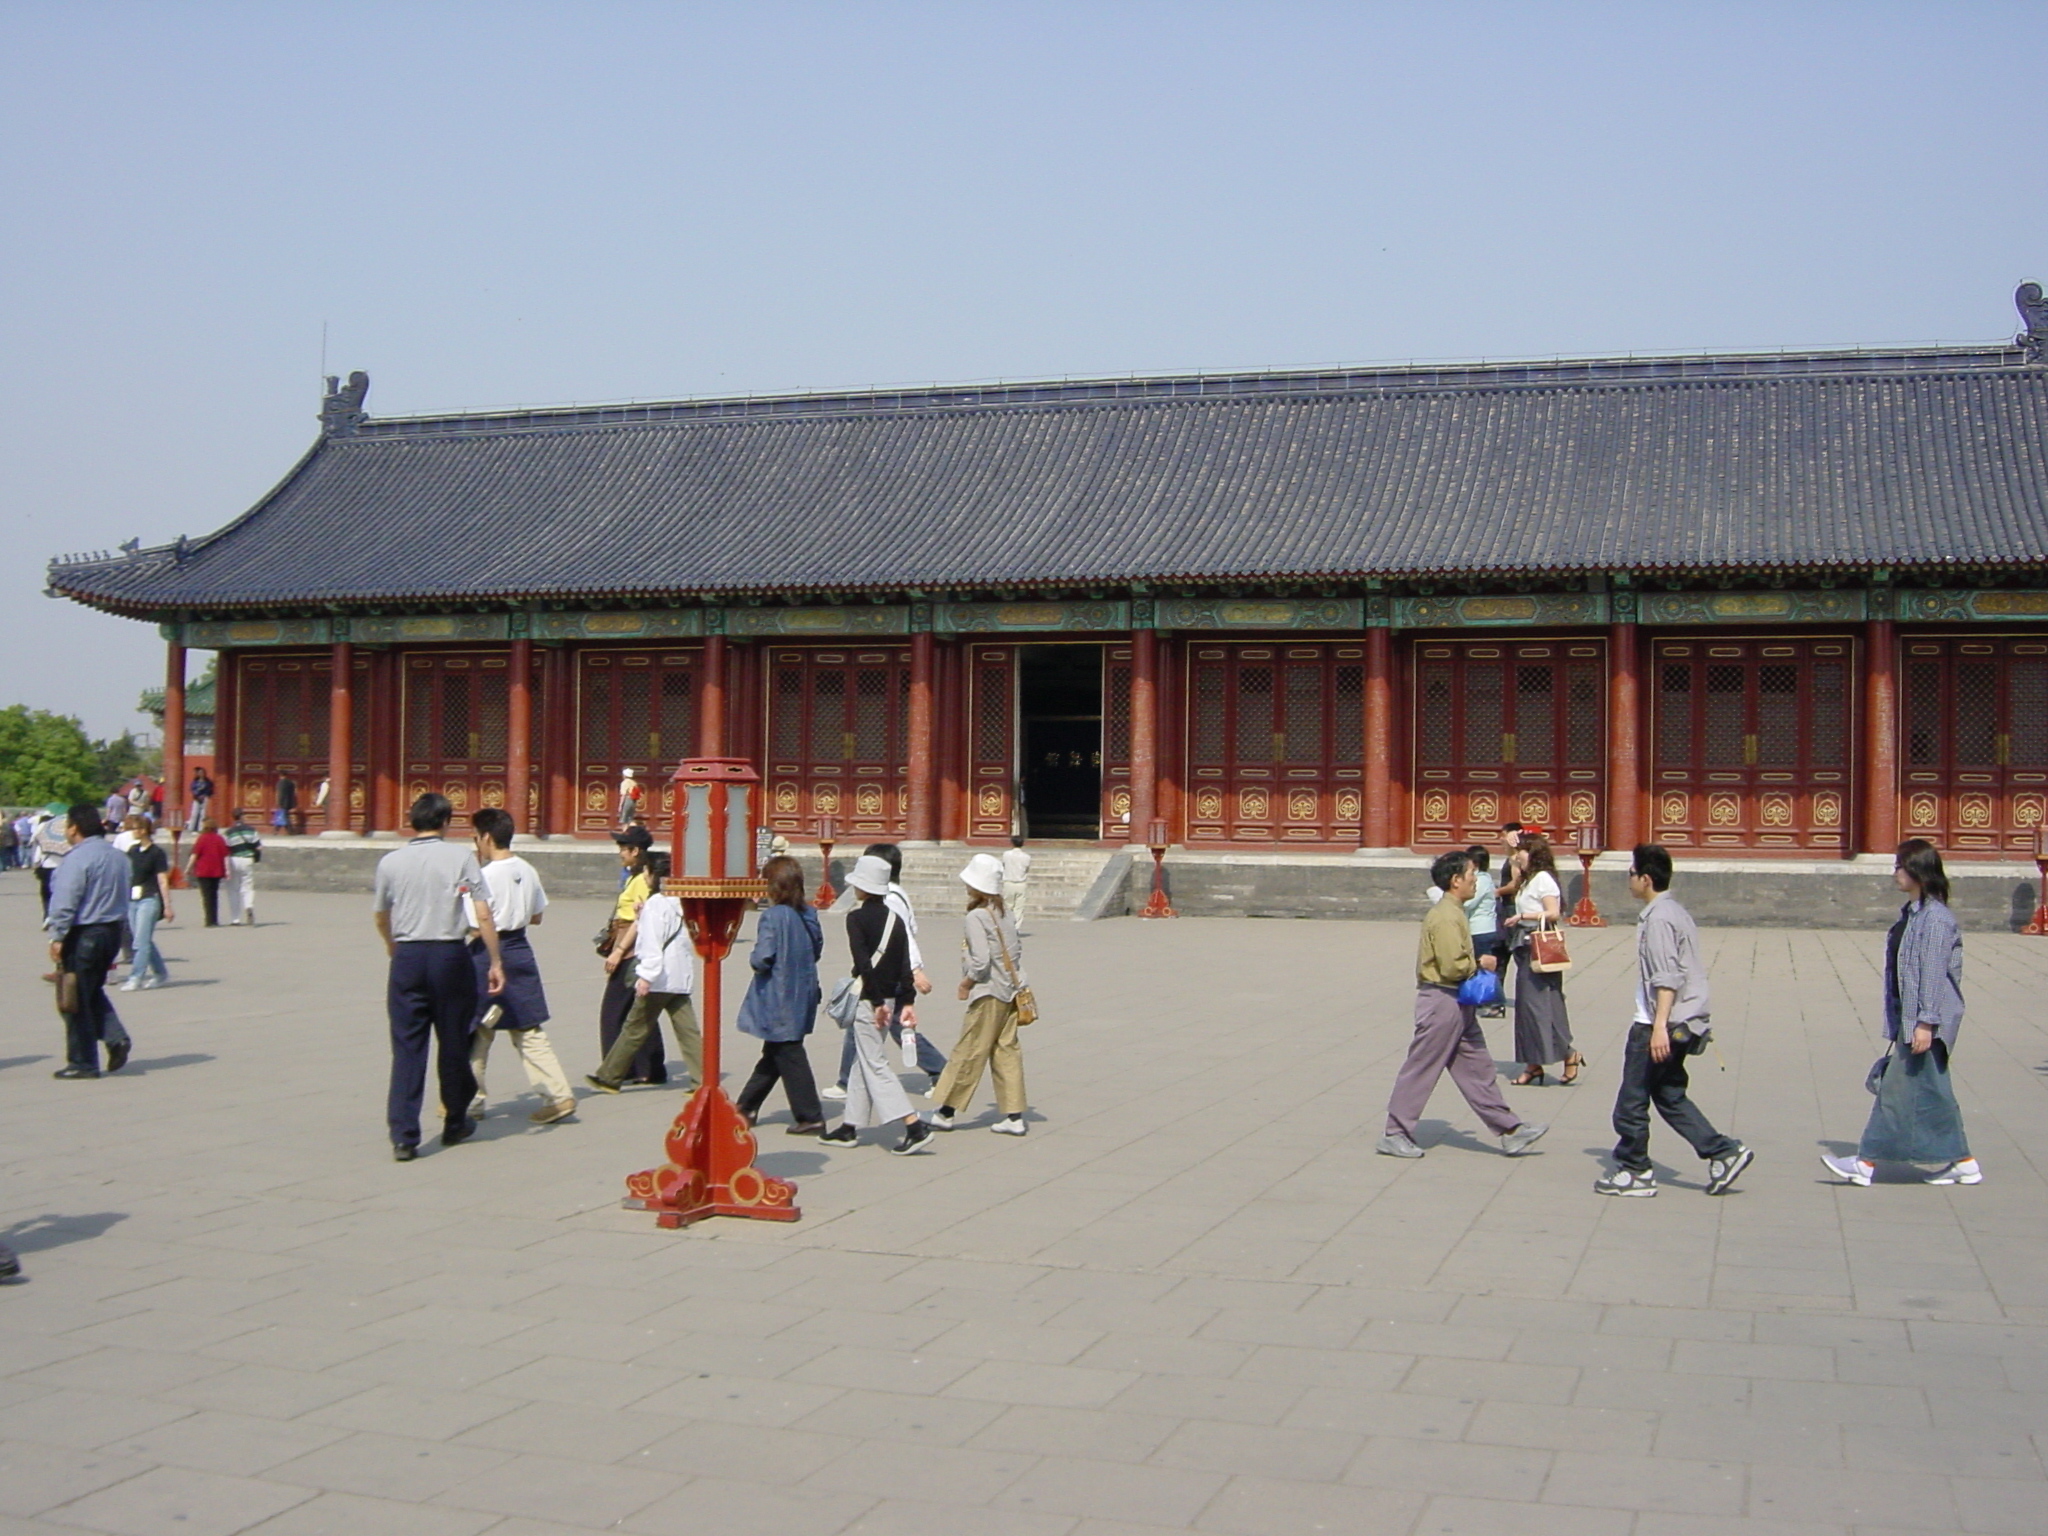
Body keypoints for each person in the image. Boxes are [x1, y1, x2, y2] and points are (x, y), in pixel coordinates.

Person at [1595, 845, 1753, 1197]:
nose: (1629, 880)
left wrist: (1658, 1028)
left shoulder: (1659, 918)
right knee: (1669, 1094)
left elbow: (1667, 977)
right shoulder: (1673, 911)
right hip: (1681, 1020)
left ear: (1646, 879)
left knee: (1631, 1102)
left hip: (1656, 1024)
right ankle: (1724, 1153)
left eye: (1631, 873)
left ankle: (1636, 1170)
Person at [1822, 840, 1978, 1188]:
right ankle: (1964, 1161)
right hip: (1909, 1019)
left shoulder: (1936, 919)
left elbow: (1934, 974)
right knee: (1935, 1095)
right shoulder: (1913, 914)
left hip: (1925, 1024)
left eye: (1900, 866)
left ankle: (1865, 1161)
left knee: (1895, 1093)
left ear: (1918, 871)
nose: (1895, 873)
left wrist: (1926, 1022)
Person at [1378, 849, 1545, 1160]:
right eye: (1472, 877)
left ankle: (1509, 1130)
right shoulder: (1444, 917)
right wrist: (1479, 962)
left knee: (1478, 1067)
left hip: (1459, 1001)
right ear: (1456, 881)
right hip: (1442, 1000)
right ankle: (1396, 1132)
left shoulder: (1455, 912)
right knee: (1422, 1068)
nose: (1476, 883)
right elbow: (1451, 966)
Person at [372, 792, 503, 1161]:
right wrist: (494, 960)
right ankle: (455, 1120)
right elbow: (483, 911)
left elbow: (381, 914)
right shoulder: (461, 857)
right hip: (450, 955)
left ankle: (404, 1135)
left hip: (408, 956)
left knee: (407, 1047)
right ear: (445, 822)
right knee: (454, 1040)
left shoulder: (390, 862)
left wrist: (391, 945)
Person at [465, 809, 575, 1126]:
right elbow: (537, 916)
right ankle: (558, 1094)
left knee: (479, 1028)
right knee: (528, 1027)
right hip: (520, 949)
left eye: (475, 837)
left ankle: (470, 1100)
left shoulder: (483, 876)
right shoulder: (526, 869)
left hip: (490, 953)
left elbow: (476, 924)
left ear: (485, 837)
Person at [822, 855, 936, 1154]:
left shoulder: (856, 918)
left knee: (875, 1064)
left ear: (861, 888)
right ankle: (850, 1126)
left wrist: (874, 1003)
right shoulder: (894, 920)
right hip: (889, 996)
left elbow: (863, 963)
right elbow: (903, 965)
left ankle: (914, 1125)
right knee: (864, 1059)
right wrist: (906, 1002)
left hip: (869, 1000)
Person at [929, 852, 1031, 1135]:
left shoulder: (976, 916)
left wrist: (966, 983)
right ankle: (1014, 1115)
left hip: (988, 992)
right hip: (1011, 990)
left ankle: (945, 1111)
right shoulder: (1004, 912)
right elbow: (1016, 951)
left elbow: (980, 961)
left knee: (970, 1049)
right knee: (1006, 1050)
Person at [586, 852, 703, 1093]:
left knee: (634, 1027)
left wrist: (646, 976)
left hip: (659, 977)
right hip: (680, 975)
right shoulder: (683, 901)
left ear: (652, 874)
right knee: (688, 1031)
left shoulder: (656, 903)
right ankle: (703, 1078)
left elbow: (651, 943)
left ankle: (609, 1076)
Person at [734, 854, 827, 1134]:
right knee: (776, 1051)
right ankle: (745, 1107)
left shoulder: (773, 917)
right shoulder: (808, 913)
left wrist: (754, 958)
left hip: (779, 994)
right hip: (804, 988)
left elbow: (763, 957)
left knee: (788, 1051)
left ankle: (810, 1114)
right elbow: (817, 950)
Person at [44, 804, 135, 1079]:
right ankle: (115, 1037)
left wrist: (57, 935)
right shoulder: (119, 857)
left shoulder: (77, 859)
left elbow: (66, 900)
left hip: (85, 933)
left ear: (74, 828)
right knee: (90, 989)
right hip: (112, 931)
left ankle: (83, 1061)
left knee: (75, 999)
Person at [1503, 834, 1581, 1085]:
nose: (1517, 857)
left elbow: (1554, 912)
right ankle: (1533, 1063)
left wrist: (1523, 915)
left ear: (1534, 854)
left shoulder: (1543, 879)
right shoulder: (1528, 879)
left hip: (1538, 944)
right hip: (1524, 945)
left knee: (1541, 1004)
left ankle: (1567, 1053)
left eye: (1522, 852)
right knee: (1528, 1006)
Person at [596, 825, 666, 1083]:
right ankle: (649, 1068)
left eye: (623, 849)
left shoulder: (639, 881)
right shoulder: (638, 876)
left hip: (630, 948)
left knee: (613, 1012)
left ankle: (620, 1068)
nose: (620, 854)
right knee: (638, 1009)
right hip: (632, 945)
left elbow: (640, 921)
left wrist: (619, 952)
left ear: (635, 851)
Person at [119, 818, 173, 992]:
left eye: (135, 828)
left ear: (144, 830)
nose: (133, 831)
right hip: (132, 899)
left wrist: (167, 906)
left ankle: (136, 977)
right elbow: (126, 875)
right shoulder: (132, 850)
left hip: (149, 899)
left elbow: (162, 880)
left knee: (140, 943)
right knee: (143, 940)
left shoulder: (157, 853)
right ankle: (161, 973)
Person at [1461, 845, 1505, 1019]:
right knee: (1478, 966)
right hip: (1477, 927)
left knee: (1484, 966)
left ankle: (1495, 1002)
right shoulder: (1480, 878)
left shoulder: (1482, 880)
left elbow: (1468, 903)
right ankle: (1478, 999)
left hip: (1481, 929)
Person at [186, 817, 230, 926]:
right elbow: (225, 856)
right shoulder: (220, 839)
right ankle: (214, 919)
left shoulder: (202, 838)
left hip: (203, 871)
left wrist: (188, 868)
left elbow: (195, 855)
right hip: (216, 870)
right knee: (214, 895)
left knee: (206, 896)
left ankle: (208, 920)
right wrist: (228, 870)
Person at [223, 807, 261, 924]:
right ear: (242, 816)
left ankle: (235, 919)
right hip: (247, 859)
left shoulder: (229, 832)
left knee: (233, 889)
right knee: (247, 887)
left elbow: (226, 849)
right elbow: (259, 847)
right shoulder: (251, 830)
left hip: (234, 859)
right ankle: (248, 906)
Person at [33, 810, 70, 916]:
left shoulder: (44, 832)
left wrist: (36, 863)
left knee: (46, 893)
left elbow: (37, 852)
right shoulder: (66, 831)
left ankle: (47, 915)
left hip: (47, 866)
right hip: (63, 866)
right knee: (61, 893)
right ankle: (58, 913)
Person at [1001, 835, 1032, 932]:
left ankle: (1006, 925)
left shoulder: (1006, 854)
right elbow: (1026, 869)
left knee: (1007, 905)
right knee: (1019, 907)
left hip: (1008, 882)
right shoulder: (1027, 857)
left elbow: (1003, 865)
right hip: (1021, 883)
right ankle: (1016, 927)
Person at [187, 766, 214, 832]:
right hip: (196, 799)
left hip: (205, 798)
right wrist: (196, 796)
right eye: (200, 772)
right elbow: (192, 789)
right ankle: (191, 828)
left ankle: (201, 828)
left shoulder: (208, 782)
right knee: (194, 813)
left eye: (202, 772)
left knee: (203, 814)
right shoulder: (195, 782)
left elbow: (210, 790)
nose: (201, 774)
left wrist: (205, 795)